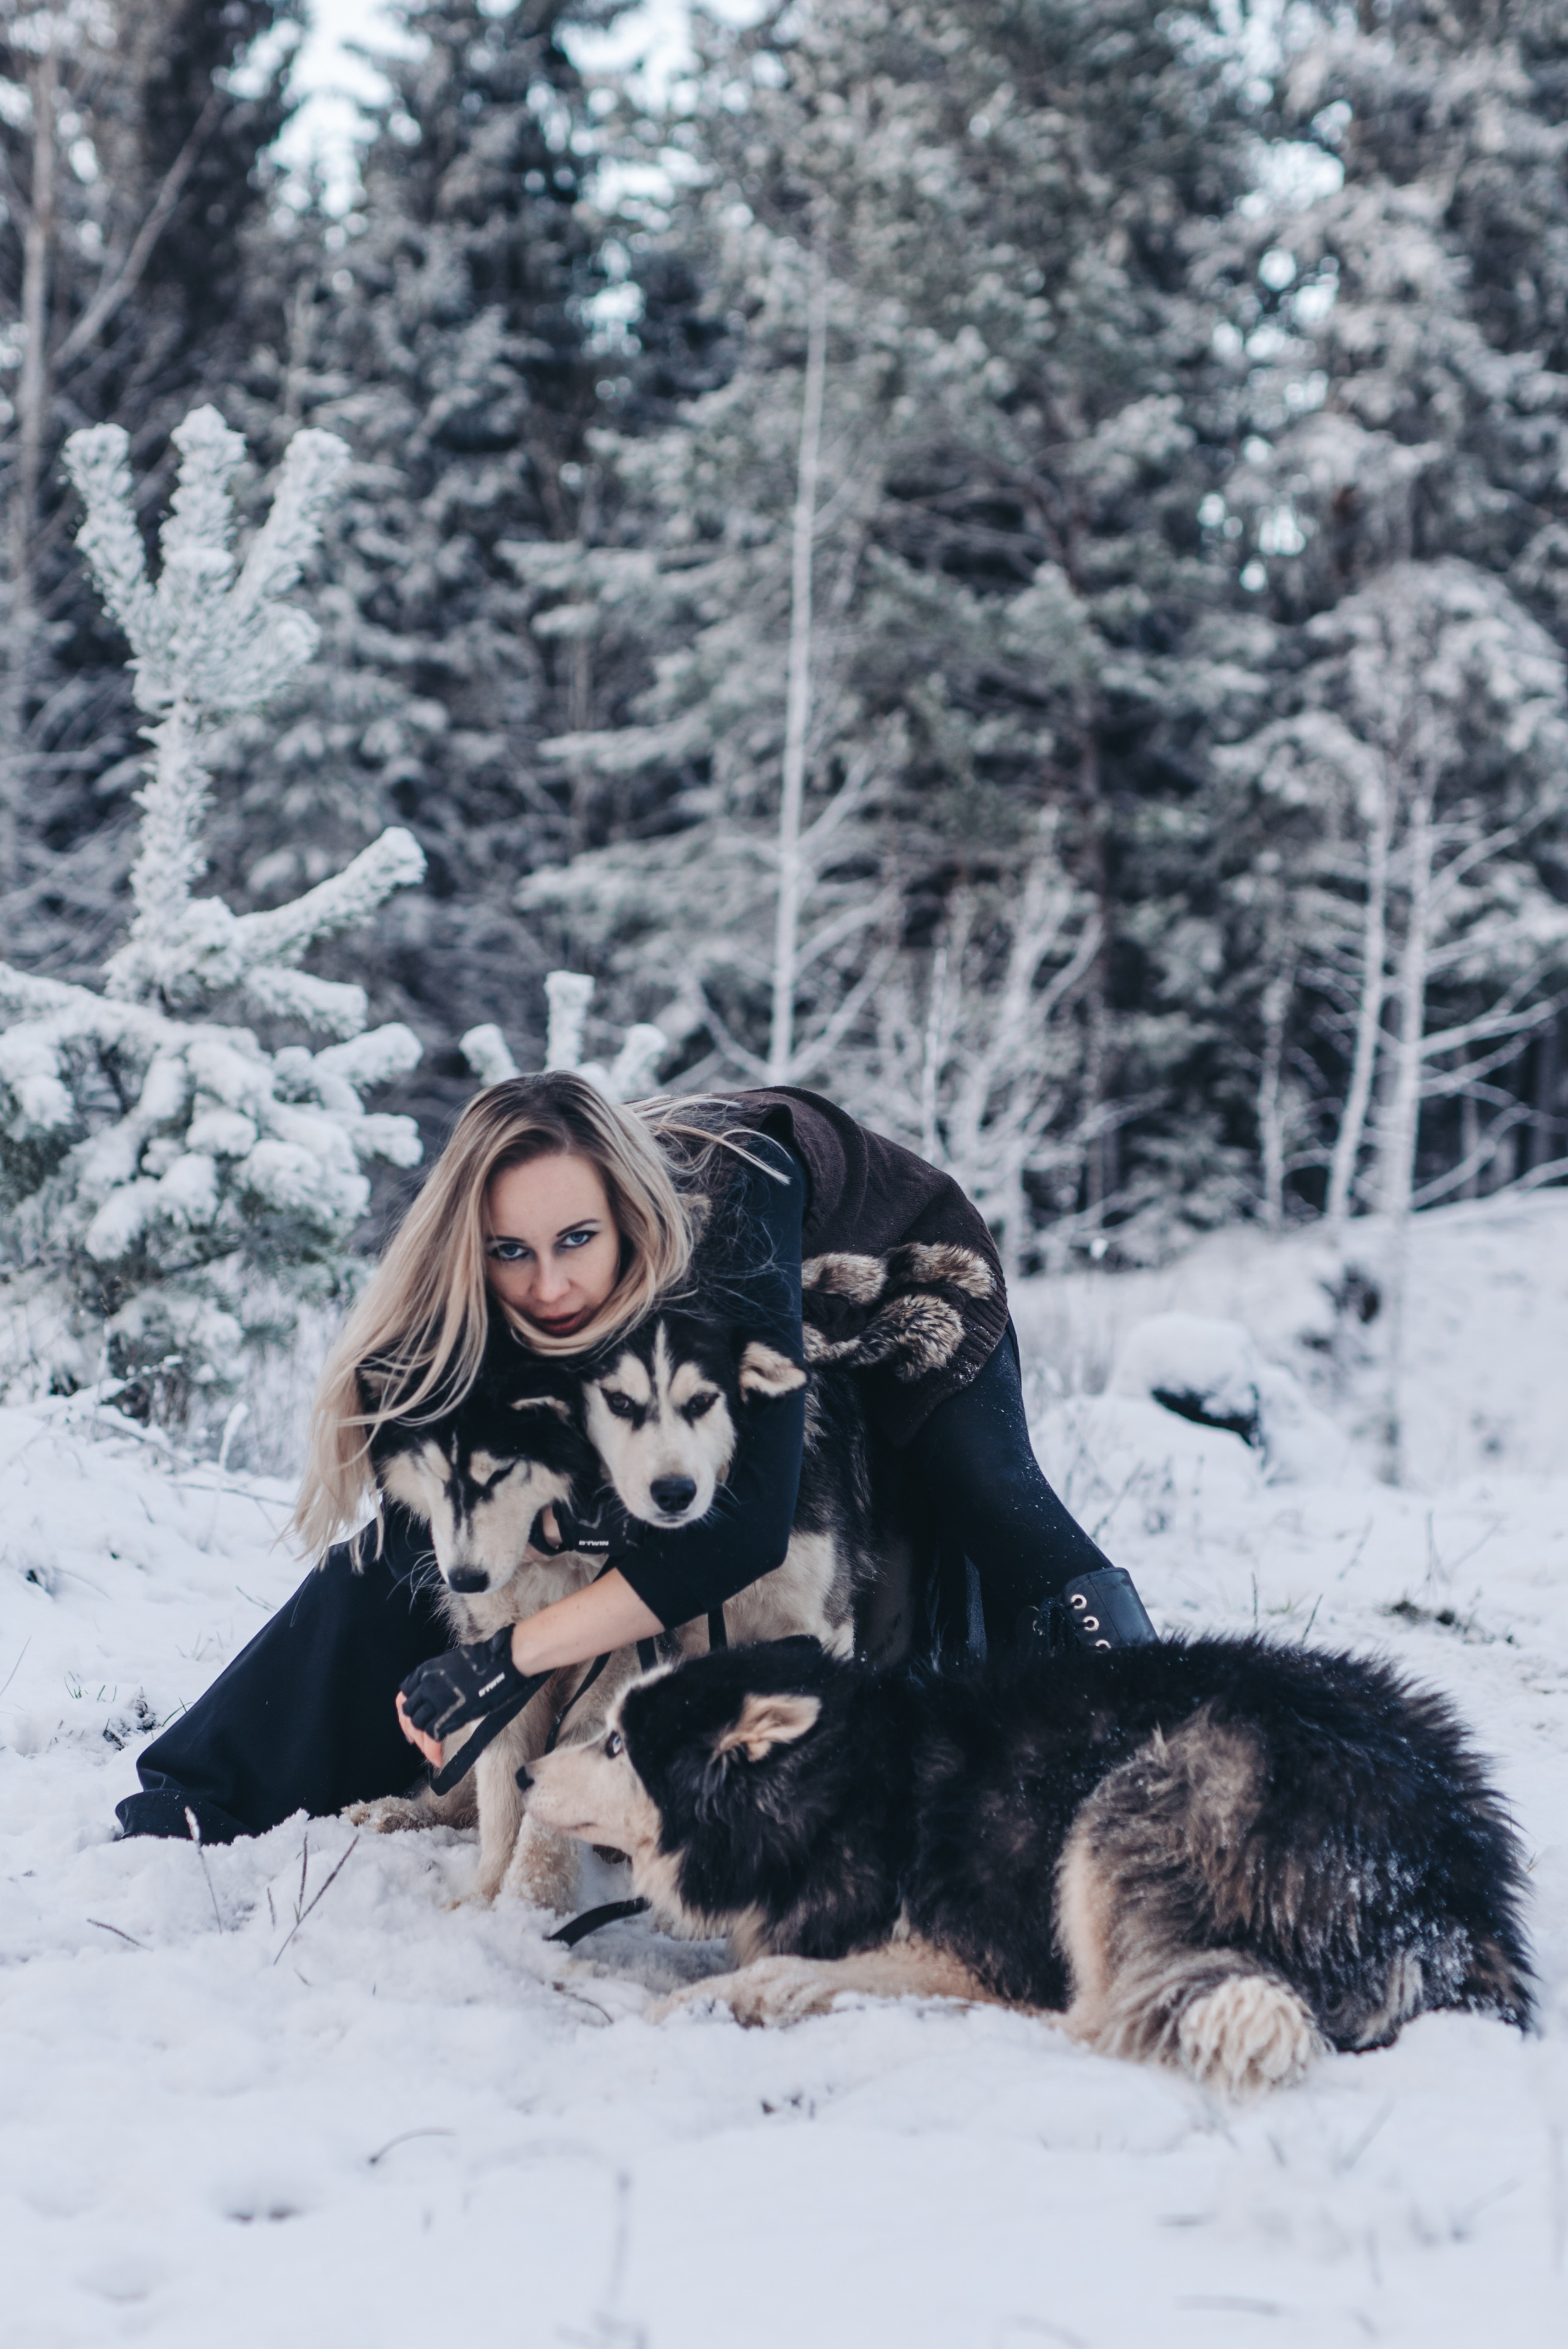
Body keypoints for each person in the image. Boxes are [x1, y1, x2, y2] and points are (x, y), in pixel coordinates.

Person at [117, 1078, 1155, 1846]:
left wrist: (508, 1657)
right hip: (674, 1358)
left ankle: (1165, 1731)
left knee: (986, 1503)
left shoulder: (735, 1206)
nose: (551, 1284)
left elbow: (745, 1525)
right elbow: (436, 1512)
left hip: (895, 1295)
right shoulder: (515, 1304)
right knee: (455, 1516)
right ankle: (209, 1778)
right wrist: (194, 1787)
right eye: (510, 1251)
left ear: (627, 1211)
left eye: (577, 1238)